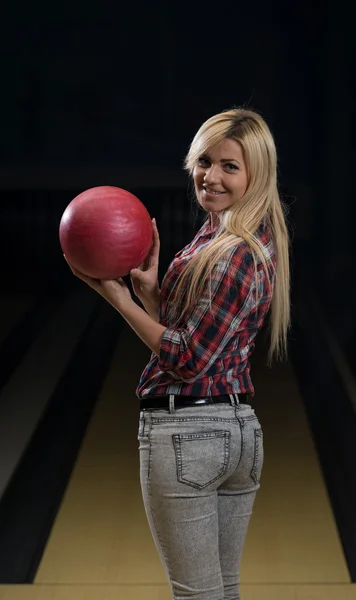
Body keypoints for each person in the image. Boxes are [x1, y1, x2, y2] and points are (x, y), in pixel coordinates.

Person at [65, 107, 291, 600]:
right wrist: (151, 295)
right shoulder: (229, 237)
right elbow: (203, 337)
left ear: (257, 173)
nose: (210, 176)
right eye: (204, 161)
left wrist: (120, 300)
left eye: (230, 166)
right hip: (237, 434)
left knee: (198, 596)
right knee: (221, 594)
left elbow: (186, 360)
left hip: (187, 436)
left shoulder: (234, 250)